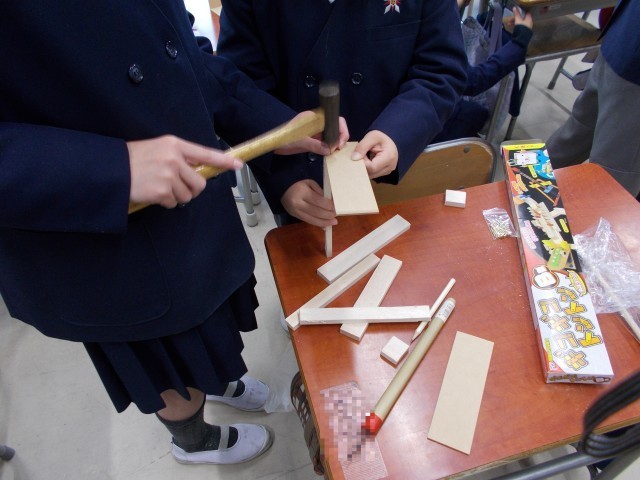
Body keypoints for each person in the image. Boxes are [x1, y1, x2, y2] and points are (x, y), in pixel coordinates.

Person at [0, 1, 347, 467]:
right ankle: (193, 439)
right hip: (99, 236)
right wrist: (109, 170)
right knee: (164, 364)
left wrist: (267, 120)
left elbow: (181, 50)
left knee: (208, 323)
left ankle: (214, 379)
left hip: (193, 207)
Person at [217, 0, 469, 226]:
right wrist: (284, 177)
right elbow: (239, 88)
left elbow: (440, 70)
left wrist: (398, 132)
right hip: (303, 182)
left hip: (396, 172)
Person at [546, 0, 640, 198]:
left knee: (572, 138)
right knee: (613, 181)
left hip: (622, 37)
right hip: (632, 69)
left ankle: (517, 197)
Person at [432, 0, 534, 142]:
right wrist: (519, 43)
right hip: (425, 131)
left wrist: (453, 6)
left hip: (406, 116)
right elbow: (473, 81)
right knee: (475, 113)